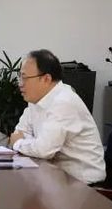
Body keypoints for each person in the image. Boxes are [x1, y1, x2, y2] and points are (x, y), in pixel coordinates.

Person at [9, 49, 106, 184]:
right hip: (54, 177)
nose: (20, 83)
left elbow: (43, 150)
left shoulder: (64, 102)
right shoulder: (35, 100)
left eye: (24, 78)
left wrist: (19, 143)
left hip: (83, 184)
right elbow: (20, 132)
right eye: (19, 77)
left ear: (46, 79)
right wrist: (29, 143)